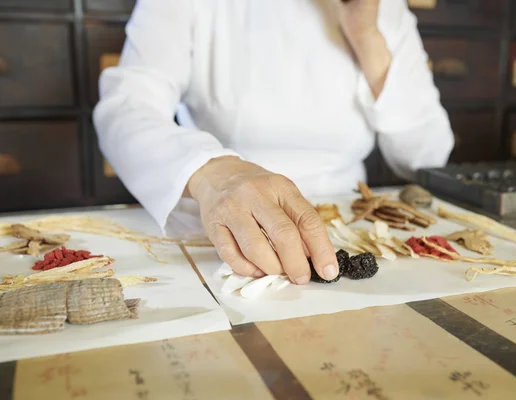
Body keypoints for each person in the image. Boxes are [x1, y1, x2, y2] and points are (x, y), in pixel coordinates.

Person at [93, 0, 454, 286]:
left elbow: (427, 155)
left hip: (353, 227)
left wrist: (366, 35)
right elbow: (126, 108)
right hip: (223, 232)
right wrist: (213, 172)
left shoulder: (385, 8)